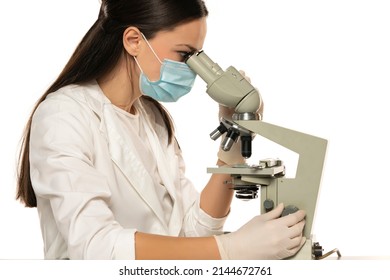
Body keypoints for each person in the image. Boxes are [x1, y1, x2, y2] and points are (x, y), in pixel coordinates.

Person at [16, 0, 306, 260]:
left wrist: (230, 154)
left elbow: (191, 235)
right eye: (184, 54)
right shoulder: (63, 116)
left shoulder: (152, 118)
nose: (192, 70)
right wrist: (232, 249)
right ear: (133, 41)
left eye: (198, 56)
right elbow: (95, 247)